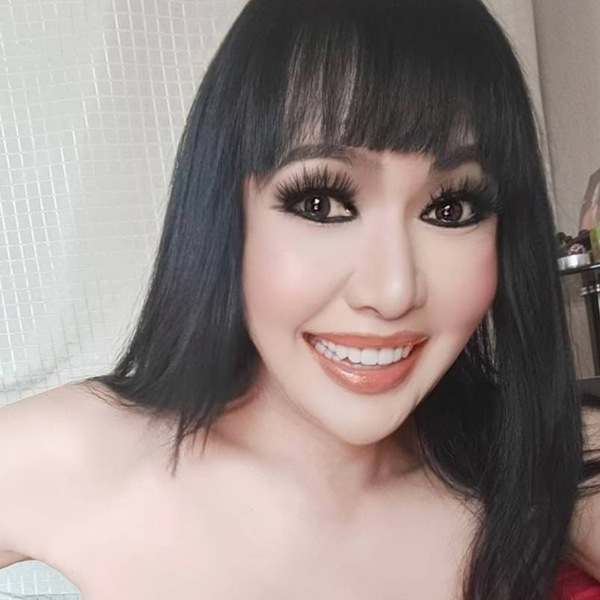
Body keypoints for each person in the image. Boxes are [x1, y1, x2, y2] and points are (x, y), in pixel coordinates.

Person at [1, 0, 599, 598]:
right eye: (321, 203)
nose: (392, 292)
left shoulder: (543, 460)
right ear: (223, 214)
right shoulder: (73, 456)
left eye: (450, 209)